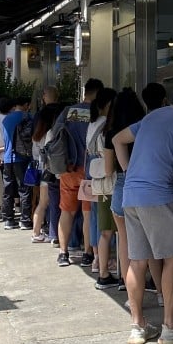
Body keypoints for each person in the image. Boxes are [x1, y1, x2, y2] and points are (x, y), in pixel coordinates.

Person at [113, 88, 173, 344]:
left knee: (137, 262)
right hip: (158, 195)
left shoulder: (151, 117)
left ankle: (138, 326)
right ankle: (171, 326)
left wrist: (129, 171)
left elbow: (117, 139)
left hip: (131, 195)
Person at [54, 78, 104, 267]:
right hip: (89, 169)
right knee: (88, 213)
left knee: (66, 211)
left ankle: (63, 253)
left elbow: (55, 135)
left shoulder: (68, 111)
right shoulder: (97, 113)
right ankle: (87, 253)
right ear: (98, 94)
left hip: (68, 169)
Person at [102, 88, 146, 292]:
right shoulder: (144, 129)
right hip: (144, 187)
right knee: (146, 241)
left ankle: (126, 282)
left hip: (121, 187)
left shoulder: (111, 133)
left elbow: (107, 170)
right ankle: (154, 287)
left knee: (124, 239)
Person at [86, 88, 119, 288]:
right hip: (109, 184)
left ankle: (101, 267)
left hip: (100, 185)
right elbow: (109, 165)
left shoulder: (93, 124)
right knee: (109, 232)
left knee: (103, 229)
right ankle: (104, 273)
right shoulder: (106, 127)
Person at [1, 96, 33, 231]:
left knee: (8, 189)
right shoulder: (29, 117)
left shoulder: (6, 119)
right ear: (26, 104)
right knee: (24, 189)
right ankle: (25, 220)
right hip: (22, 158)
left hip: (8, 158)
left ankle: (8, 220)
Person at [30, 104, 61, 242]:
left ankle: (36, 233)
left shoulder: (37, 135)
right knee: (50, 204)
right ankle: (42, 232)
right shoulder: (53, 133)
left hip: (43, 172)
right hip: (52, 172)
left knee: (42, 204)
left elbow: (35, 155)